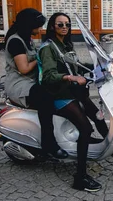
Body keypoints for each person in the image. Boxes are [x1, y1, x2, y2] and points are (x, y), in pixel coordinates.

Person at [39, 13, 107, 192]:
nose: (64, 27)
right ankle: (80, 177)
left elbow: (74, 64)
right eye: (60, 24)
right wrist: (69, 77)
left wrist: (99, 66)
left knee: (97, 116)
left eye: (67, 24)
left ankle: (110, 146)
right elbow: (48, 76)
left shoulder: (66, 44)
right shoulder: (48, 47)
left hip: (73, 91)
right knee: (85, 128)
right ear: (52, 26)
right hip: (59, 94)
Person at [4, 8, 68, 161]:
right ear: (28, 25)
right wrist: (40, 57)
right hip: (20, 85)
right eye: (38, 26)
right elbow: (24, 69)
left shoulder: (27, 38)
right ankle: (49, 144)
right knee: (45, 99)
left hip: (32, 81)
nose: (40, 29)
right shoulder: (15, 41)